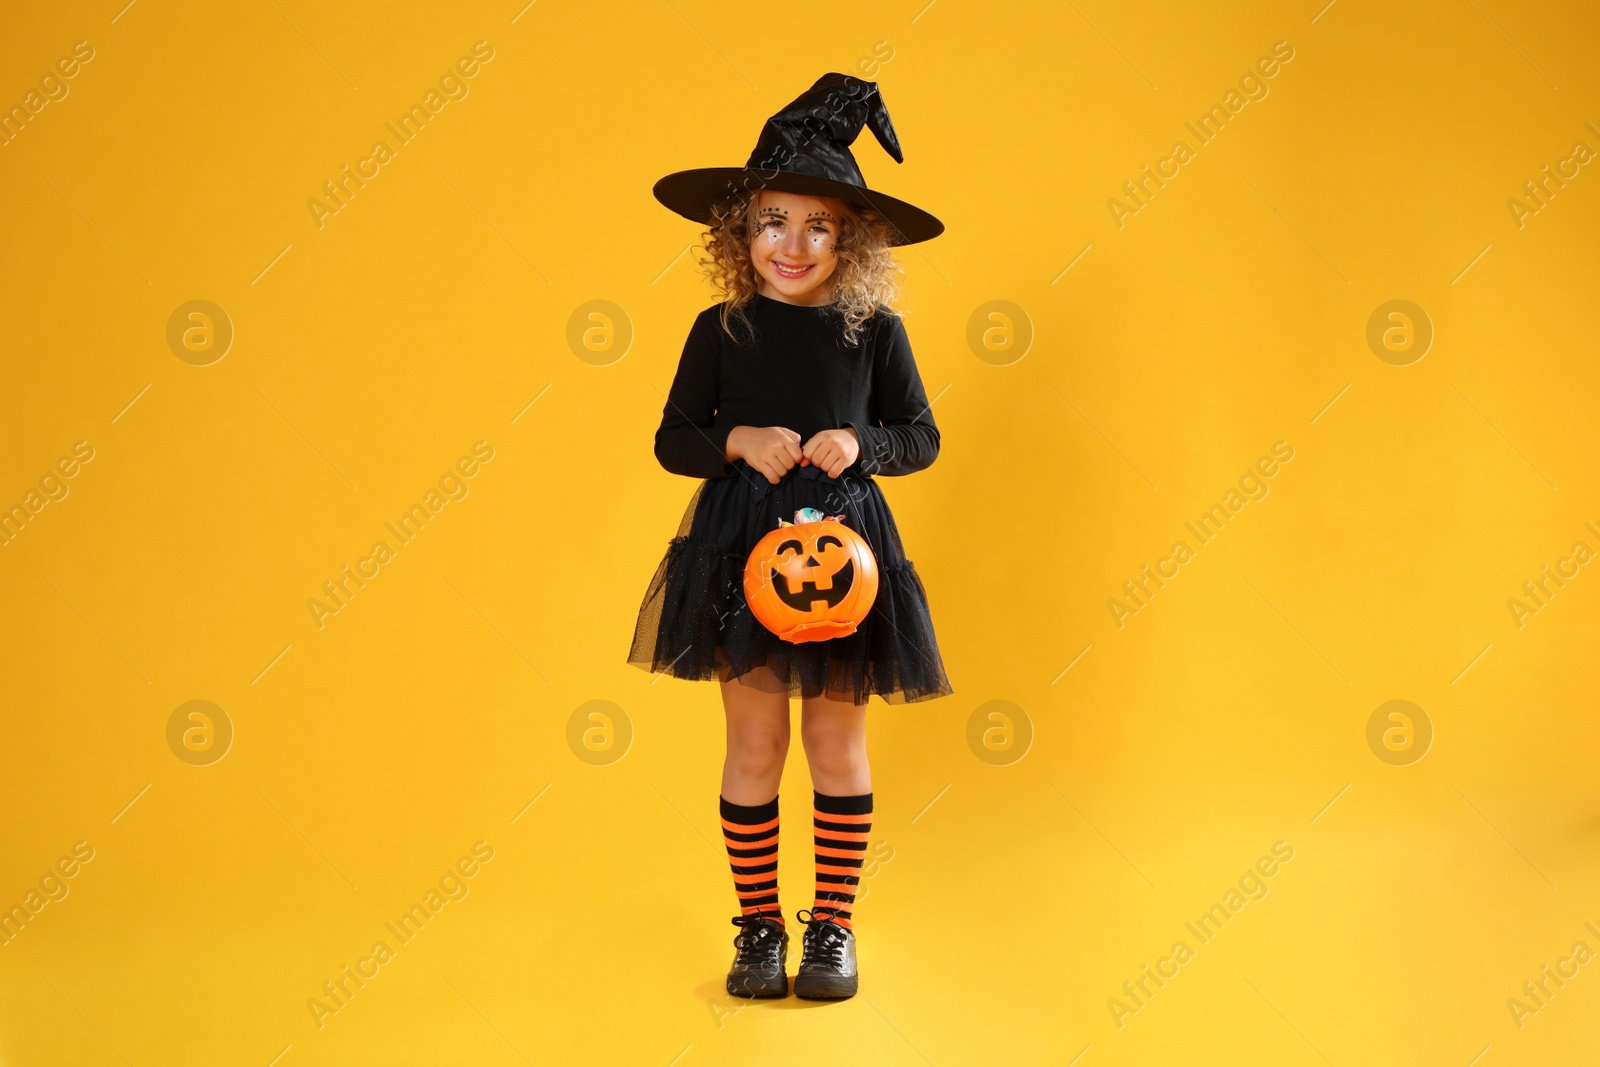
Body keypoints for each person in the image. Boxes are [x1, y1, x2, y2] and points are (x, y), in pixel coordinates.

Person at [629, 73, 953, 1001]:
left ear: (848, 239)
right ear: (742, 233)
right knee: (756, 742)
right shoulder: (720, 329)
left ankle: (833, 929)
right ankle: (761, 927)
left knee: (838, 745)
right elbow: (672, 437)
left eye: (818, 226)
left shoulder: (873, 330)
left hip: (843, 557)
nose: (794, 244)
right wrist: (735, 438)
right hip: (740, 550)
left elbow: (922, 435)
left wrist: (863, 443)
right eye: (773, 222)